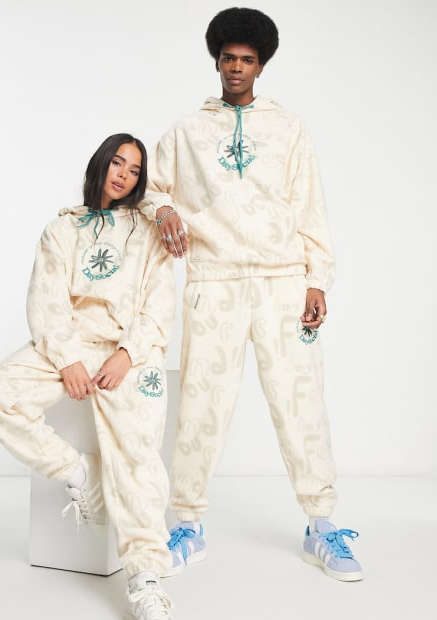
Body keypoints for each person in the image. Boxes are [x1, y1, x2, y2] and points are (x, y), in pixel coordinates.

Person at [140, 7, 363, 583]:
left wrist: (317, 279)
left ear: (261, 66)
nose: (236, 67)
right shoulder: (187, 131)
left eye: (247, 59)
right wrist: (163, 209)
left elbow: (310, 206)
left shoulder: (289, 128)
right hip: (213, 280)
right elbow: (148, 188)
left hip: (282, 278)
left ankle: (321, 526)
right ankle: (187, 525)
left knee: (300, 401)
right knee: (200, 404)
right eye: (228, 58)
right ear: (216, 62)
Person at [0, 133, 181, 620]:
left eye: (135, 170)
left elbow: (159, 305)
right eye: (117, 163)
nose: (123, 175)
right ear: (100, 164)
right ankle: (79, 473)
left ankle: (146, 584)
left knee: (137, 458)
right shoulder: (62, 228)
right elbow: (46, 300)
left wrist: (127, 353)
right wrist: (67, 359)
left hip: (129, 353)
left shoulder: (149, 233)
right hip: (71, 344)